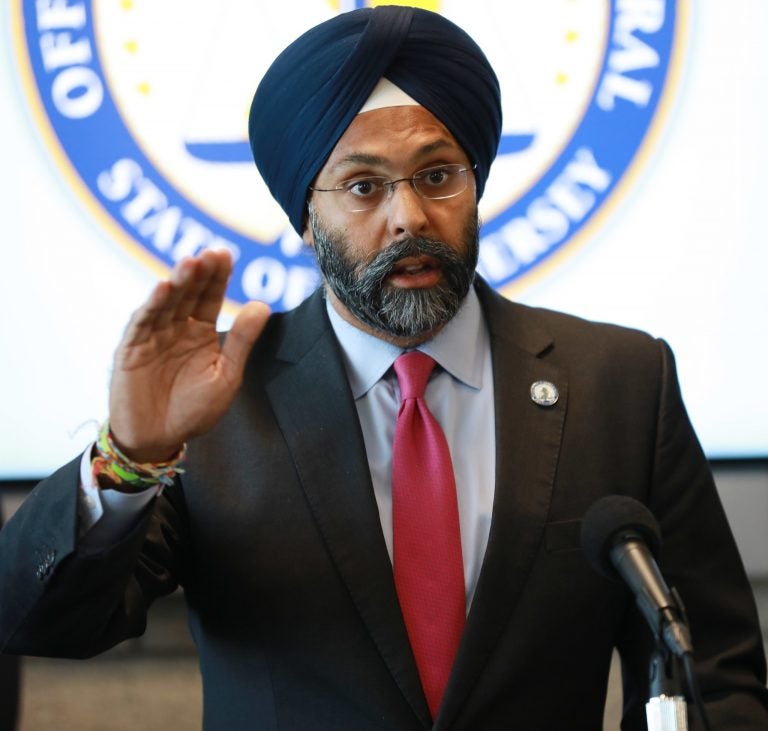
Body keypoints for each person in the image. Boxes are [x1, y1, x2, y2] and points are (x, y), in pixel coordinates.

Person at [0, 6, 766, 730]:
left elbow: (715, 672)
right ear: (305, 213)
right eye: (364, 187)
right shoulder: (218, 401)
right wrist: (128, 458)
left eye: (438, 176)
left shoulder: (622, 382)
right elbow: (45, 621)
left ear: (476, 185)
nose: (409, 216)